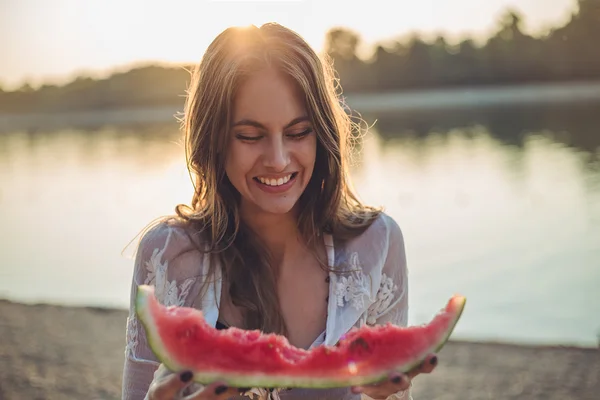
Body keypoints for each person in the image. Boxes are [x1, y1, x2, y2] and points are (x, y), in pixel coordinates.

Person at [121, 22, 438, 400]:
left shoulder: (378, 243)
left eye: (298, 132)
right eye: (250, 136)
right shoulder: (168, 253)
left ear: (321, 134)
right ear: (214, 139)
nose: (277, 159)